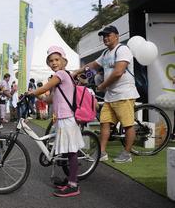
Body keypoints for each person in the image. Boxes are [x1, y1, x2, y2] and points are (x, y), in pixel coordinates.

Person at [72, 25, 139, 163]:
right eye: (104, 36)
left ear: (117, 36)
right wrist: (79, 73)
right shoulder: (106, 54)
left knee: (128, 125)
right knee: (104, 123)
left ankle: (127, 154)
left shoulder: (123, 50)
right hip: (111, 95)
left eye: (108, 35)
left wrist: (102, 86)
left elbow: (118, 72)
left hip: (124, 93)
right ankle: (101, 152)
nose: (105, 38)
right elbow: (94, 66)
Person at [29, 45, 84, 197]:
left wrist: (33, 91)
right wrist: (35, 95)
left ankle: (73, 185)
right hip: (62, 118)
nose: (54, 63)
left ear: (63, 61)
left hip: (67, 118)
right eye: (51, 60)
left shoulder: (60, 74)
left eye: (57, 59)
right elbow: (48, 99)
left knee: (72, 152)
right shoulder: (60, 78)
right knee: (68, 151)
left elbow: (44, 87)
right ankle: (71, 180)